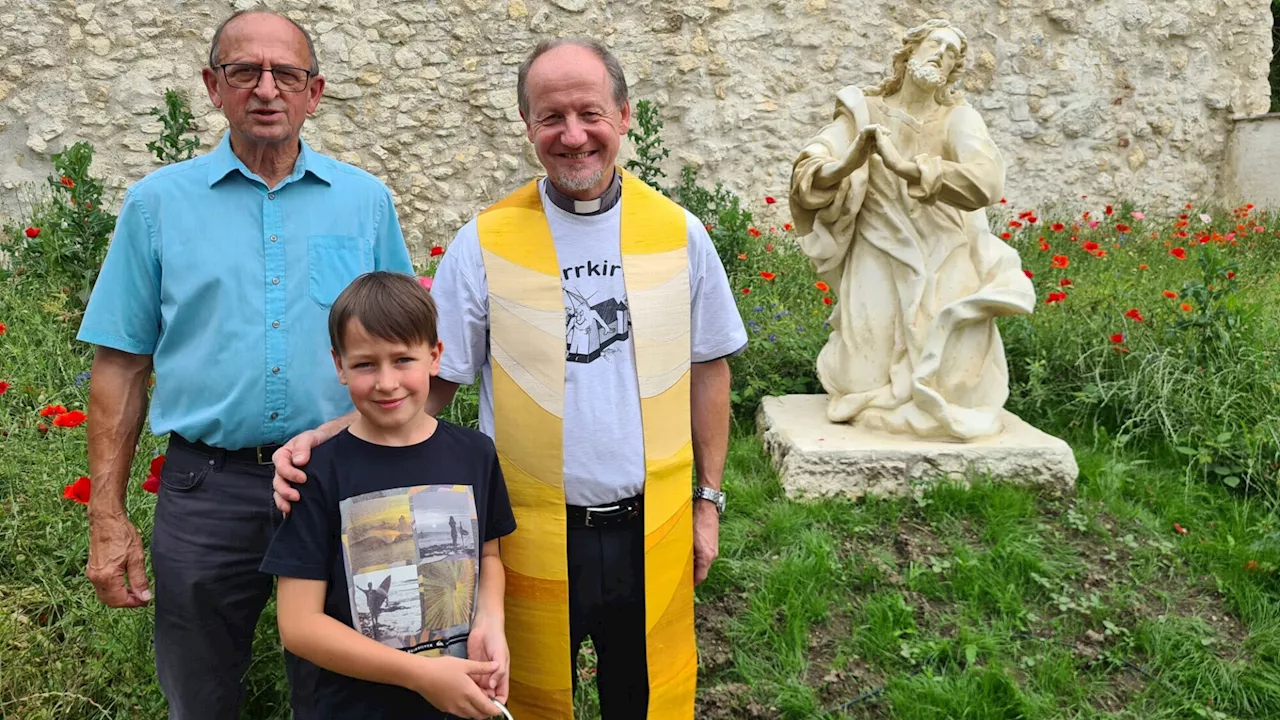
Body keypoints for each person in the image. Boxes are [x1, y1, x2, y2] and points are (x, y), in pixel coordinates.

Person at [273, 38, 747, 720]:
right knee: (523, 698)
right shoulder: (486, 241)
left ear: (625, 115)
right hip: (525, 531)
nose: (574, 135)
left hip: (656, 525)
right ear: (527, 126)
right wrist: (330, 436)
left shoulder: (678, 233)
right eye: (551, 117)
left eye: (590, 113)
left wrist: (708, 502)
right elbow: (429, 382)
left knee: (646, 699)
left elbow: (709, 367)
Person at [75, 10, 415, 719]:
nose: (267, 89)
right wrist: (106, 517)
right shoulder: (156, 206)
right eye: (244, 72)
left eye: (286, 74)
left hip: (340, 481)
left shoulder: (365, 203)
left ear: (314, 92)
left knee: (353, 695)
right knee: (199, 697)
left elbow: (406, 352)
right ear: (213, 85)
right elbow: (120, 366)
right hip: (208, 490)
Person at [260, 271, 516, 720]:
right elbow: (298, 626)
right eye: (364, 364)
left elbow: (489, 556)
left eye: (403, 360)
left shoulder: (475, 454)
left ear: (435, 357)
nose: (386, 382)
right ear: (338, 366)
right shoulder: (317, 474)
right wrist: (421, 674)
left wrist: (490, 621)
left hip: (461, 699)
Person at [788, 19, 1034, 441]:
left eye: (953, 52)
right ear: (908, 54)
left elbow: (988, 180)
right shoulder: (865, 111)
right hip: (878, 245)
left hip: (945, 244)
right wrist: (851, 160)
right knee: (859, 376)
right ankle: (881, 393)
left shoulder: (957, 118)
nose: (942, 53)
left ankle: (933, 397)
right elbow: (810, 169)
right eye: (935, 43)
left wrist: (908, 168)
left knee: (954, 376)